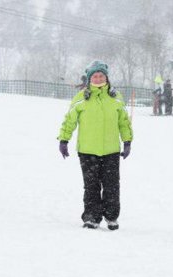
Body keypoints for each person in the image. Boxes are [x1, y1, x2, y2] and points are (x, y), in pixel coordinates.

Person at [57, 60, 133, 230]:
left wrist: (127, 141)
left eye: (101, 76)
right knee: (91, 185)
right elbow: (69, 121)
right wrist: (64, 139)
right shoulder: (81, 98)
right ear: (90, 78)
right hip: (87, 150)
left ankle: (111, 216)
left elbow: (124, 122)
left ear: (106, 77)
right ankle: (91, 217)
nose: (98, 79)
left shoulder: (116, 98)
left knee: (112, 185)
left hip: (111, 150)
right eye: (95, 76)